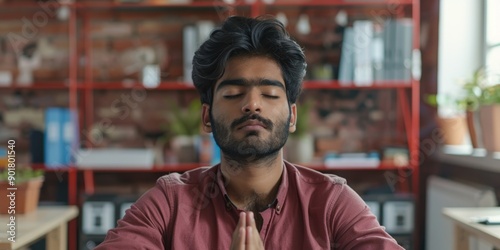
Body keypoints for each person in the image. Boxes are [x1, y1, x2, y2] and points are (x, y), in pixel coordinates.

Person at [95, 16, 404, 250]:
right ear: (206, 117)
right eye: (233, 94)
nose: (252, 105)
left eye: (269, 94)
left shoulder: (331, 202)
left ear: (292, 116)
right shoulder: (171, 202)